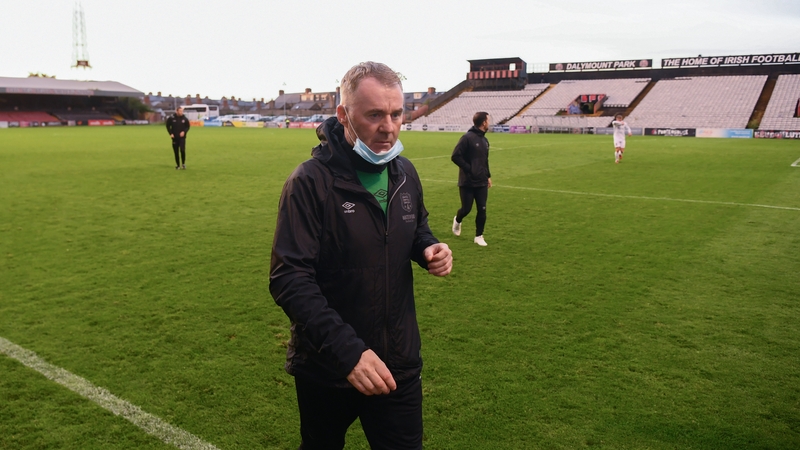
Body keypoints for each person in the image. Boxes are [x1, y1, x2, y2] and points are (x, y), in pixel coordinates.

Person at [269, 61, 453, 450]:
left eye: (396, 114)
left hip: (397, 363)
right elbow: (289, 279)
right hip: (327, 365)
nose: (389, 127)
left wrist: (428, 248)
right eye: (374, 115)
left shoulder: (405, 173)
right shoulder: (309, 182)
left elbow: (416, 226)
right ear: (343, 115)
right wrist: (350, 354)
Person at [451, 111, 492, 246]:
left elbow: (485, 161)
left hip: (481, 181)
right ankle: (458, 220)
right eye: (488, 120)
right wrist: (469, 169)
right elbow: (455, 156)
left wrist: (488, 176)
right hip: (467, 181)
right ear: (484, 122)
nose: (489, 123)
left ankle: (479, 236)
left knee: (482, 209)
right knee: (466, 209)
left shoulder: (485, 141)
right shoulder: (467, 138)